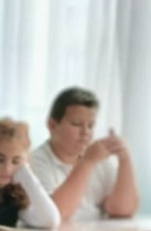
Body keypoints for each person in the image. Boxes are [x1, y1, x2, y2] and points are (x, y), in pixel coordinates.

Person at [30, 87, 139, 222]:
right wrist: (86, 162)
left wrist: (125, 160)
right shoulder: (35, 161)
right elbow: (55, 214)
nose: (85, 132)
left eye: (91, 125)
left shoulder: (99, 160)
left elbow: (123, 210)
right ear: (52, 125)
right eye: (76, 124)